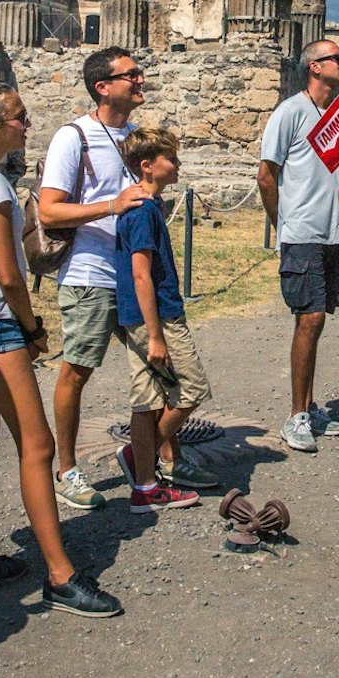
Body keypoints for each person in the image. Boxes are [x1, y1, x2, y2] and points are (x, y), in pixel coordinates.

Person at [0, 82, 122, 618]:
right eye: (19, 117)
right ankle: (60, 575)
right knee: (37, 447)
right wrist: (32, 328)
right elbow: (9, 274)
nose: (26, 125)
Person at [38, 47, 155, 507]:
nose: (140, 80)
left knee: (155, 369)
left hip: (134, 274)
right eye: (131, 75)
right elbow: (49, 209)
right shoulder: (75, 137)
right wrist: (112, 205)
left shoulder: (136, 137)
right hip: (90, 272)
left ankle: (150, 458)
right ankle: (66, 470)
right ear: (103, 87)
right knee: (78, 369)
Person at [112, 128, 214, 511]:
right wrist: (156, 335)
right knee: (191, 389)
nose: (178, 164)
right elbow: (142, 274)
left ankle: (144, 486)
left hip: (137, 318)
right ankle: (141, 457)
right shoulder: (142, 212)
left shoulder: (145, 208)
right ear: (147, 167)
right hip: (158, 319)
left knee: (147, 399)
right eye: (170, 158)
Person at [257, 39, 339, 454]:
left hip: (332, 232)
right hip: (302, 234)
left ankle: (311, 407)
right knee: (309, 318)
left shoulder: (337, 114)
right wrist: (284, 225)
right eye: (336, 58)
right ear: (315, 67)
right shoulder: (290, 112)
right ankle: (295, 415)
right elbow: (266, 175)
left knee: (320, 319)